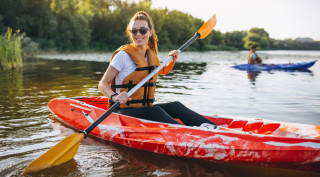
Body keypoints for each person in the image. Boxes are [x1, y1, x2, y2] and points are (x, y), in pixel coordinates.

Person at [98, 11, 216, 127]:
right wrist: (115, 97)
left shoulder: (150, 55)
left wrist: (172, 60)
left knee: (176, 106)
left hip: (144, 110)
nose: (138, 34)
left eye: (142, 30)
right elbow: (103, 84)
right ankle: (191, 134)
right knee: (156, 111)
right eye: (134, 31)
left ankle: (218, 130)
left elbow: (163, 70)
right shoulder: (123, 55)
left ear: (150, 32)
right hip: (122, 112)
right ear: (131, 33)